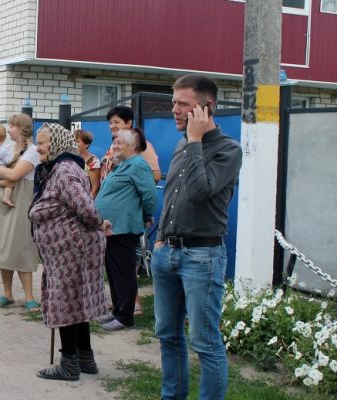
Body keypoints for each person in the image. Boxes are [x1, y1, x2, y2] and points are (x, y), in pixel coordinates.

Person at [152, 74, 242, 400]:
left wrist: (194, 142)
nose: (173, 109)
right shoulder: (180, 145)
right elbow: (172, 196)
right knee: (168, 335)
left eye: (182, 104)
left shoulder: (228, 150)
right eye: (173, 102)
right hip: (168, 253)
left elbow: (199, 191)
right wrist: (160, 238)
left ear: (207, 108)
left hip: (202, 257)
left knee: (205, 342)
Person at [28, 123, 109, 381]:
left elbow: (85, 207)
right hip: (67, 250)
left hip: (71, 250)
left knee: (66, 303)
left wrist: (99, 222)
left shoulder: (64, 171)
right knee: (75, 303)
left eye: (41, 143)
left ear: (56, 144)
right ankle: (85, 358)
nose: (37, 148)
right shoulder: (60, 169)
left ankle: (69, 363)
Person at [94, 127, 157, 331]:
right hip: (110, 229)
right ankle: (118, 311)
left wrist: (146, 216)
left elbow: (149, 196)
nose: (115, 145)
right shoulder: (122, 165)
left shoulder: (138, 164)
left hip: (124, 228)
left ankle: (126, 316)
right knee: (113, 272)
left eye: (120, 142)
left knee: (123, 272)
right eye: (115, 142)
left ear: (132, 146)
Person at [0, 113, 41, 311]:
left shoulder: (33, 152)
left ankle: (29, 296)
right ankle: (7, 294)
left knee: (22, 247)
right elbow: (4, 178)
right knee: (4, 247)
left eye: (12, 126)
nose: (9, 129)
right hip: (1, 202)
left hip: (20, 203)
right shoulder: (8, 149)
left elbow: (14, 175)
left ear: (22, 129)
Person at [74, 129, 101, 199]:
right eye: (73, 141)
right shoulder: (73, 160)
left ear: (87, 144)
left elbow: (95, 189)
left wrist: (87, 205)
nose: (74, 144)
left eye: (77, 141)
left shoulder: (94, 162)